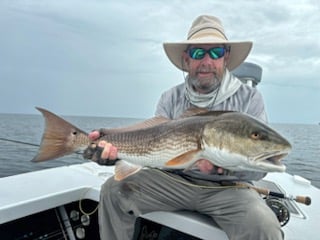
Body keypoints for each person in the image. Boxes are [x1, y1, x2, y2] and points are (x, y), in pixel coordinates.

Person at [88, 15, 283, 240]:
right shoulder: (170, 98)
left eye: (216, 52)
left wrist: (223, 168)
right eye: (198, 53)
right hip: (173, 182)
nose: (207, 61)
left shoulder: (249, 99)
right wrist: (114, 152)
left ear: (226, 57)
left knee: (264, 226)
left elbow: (261, 167)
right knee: (113, 191)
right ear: (187, 59)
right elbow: (151, 146)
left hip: (229, 189)